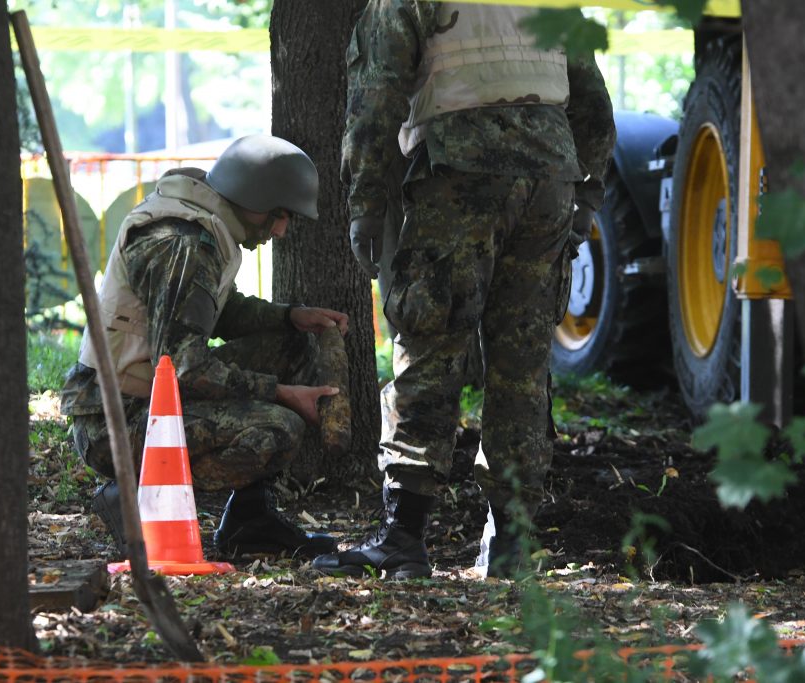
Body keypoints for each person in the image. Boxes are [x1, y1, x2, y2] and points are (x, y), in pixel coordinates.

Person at [313, 1, 616, 579]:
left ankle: (403, 538)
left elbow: (375, 99)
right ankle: (510, 544)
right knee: (521, 363)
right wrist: (588, 197)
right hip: (550, 175)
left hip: (459, 169)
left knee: (431, 342)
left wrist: (366, 204)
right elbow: (594, 105)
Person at [60, 134, 349, 560]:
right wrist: (282, 394)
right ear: (254, 197)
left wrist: (291, 316)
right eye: (280, 214)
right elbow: (183, 369)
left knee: (292, 345)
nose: (282, 229)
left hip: (140, 399)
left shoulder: (202, 224)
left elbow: (214, 310)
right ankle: (133, 493)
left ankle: (249, 523)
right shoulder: (184, 243)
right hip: (114, 423)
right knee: (277, 429)